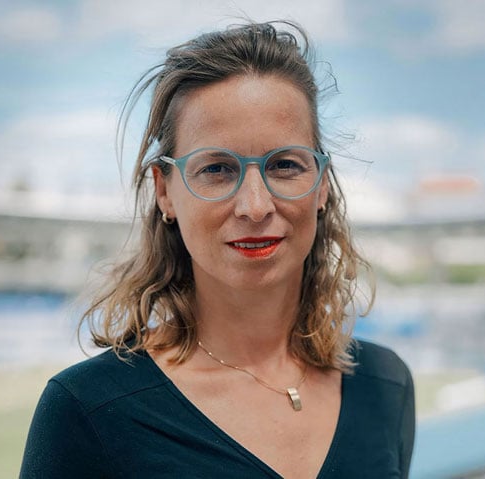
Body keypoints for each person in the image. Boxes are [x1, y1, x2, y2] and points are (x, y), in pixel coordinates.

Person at [20, 20, 415, 479]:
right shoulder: (88, 411)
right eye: (218, 169)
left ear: (321, 185)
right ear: (164, 191)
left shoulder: (385, 386)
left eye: (285, 164)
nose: (254, 206)